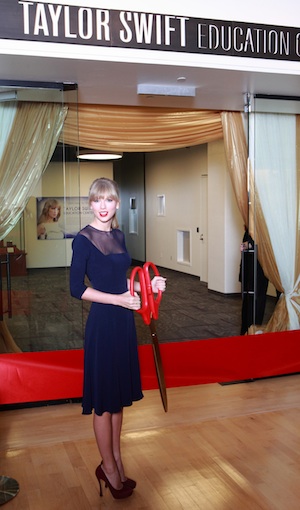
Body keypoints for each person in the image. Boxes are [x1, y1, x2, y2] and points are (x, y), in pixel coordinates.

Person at [69, 177, 166, 500]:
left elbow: (121, 281)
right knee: (103, 404)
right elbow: (77, 289)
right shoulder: (83, 240)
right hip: (104, 322)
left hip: (123, 321)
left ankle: (116, 460)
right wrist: (119, 300)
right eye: (98, 200)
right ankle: (108, 468)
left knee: (118, 399)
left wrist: (146, 287)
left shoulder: (119, 235)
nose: (103, 206)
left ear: (117, 203)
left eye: (109, 200)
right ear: (90, 204)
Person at [239, 227, 269, 334]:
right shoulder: (249, 231)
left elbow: (258, 243)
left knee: (256, 300)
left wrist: (248, 244)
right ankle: (247, 330)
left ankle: (252, 329)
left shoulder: (260, 229)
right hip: (250, 269)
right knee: (249, 300)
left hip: (257, 271)